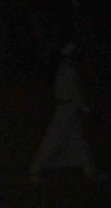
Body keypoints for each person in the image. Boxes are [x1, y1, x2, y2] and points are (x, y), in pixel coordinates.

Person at [28, 39, 97, 184]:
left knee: (78, 141)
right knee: (54, 140)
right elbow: (75, 92)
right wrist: (85, 108)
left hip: (67, 108)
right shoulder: (68, 71)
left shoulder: (63, 70)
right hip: (66, 110)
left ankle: (89, 170)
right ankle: (35, 170)